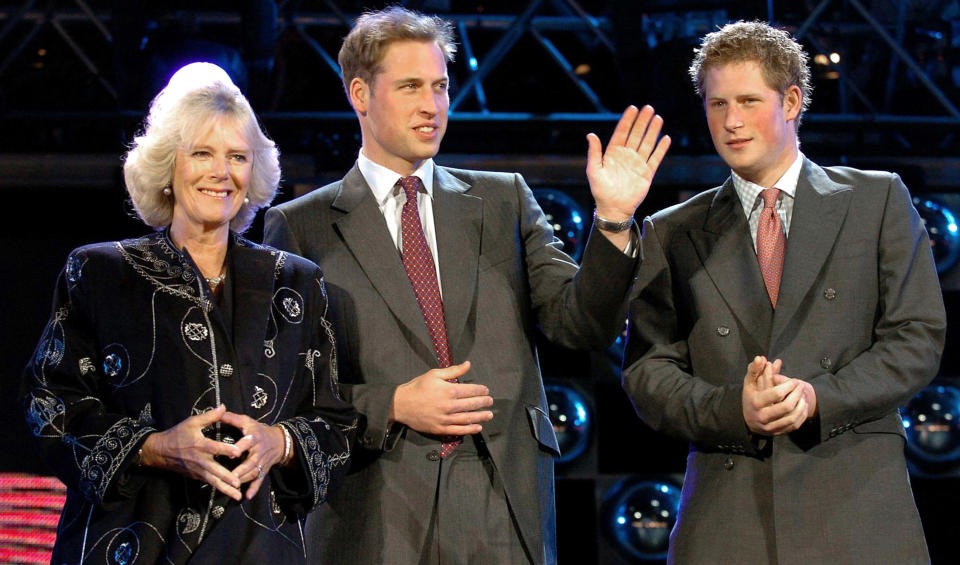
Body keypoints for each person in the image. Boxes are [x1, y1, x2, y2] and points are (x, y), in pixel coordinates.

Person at [263, 6, 670, 564]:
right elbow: (289, 389)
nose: (431, 106)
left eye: (440, 87)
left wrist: (615, 221)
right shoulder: (301, 224)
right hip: (377, 507)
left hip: (503, 501)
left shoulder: (503, 200)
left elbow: (580, 325)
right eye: (410, 87)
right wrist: (395, 403)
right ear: (360, 93)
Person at [621, 20, 946, 564]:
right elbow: (647, 372)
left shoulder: (876, 200)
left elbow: (917, 338)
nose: (731, 121)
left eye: (748, 100)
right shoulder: (672, 229)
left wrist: (819, 397)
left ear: (792, 100)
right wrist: (733, 409)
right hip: (729, 518)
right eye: (717, 103)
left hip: (857, 508)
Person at [20, 62, 356, 564]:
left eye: (237, 156)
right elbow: (49, 406)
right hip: (131, 542)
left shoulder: (298, 281)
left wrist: (279, 441)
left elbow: (336, 421)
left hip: (259, 546)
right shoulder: (99, 272)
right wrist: (154, 447)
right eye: (202, 153)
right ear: (167, 168)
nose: (221, 172)